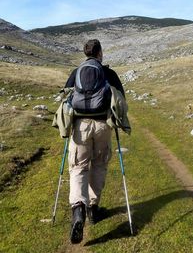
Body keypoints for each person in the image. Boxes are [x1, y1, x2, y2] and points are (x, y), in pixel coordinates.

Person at [64, 39, 125, 244]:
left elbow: (65, 98)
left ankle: (78, 210)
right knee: (99, 164)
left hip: (80, 127)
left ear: (86, 53)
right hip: (102, 126)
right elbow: (121, 99)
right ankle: (93, 208)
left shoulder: (76, 72)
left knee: (78, 167)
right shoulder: (108, 73)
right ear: (99, 53)